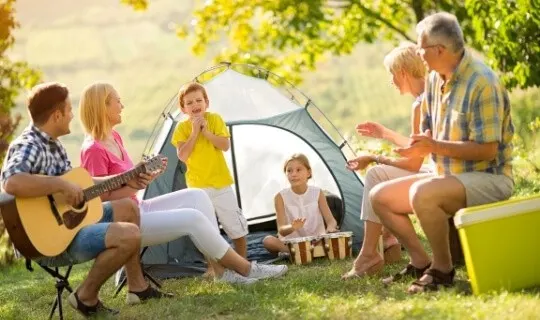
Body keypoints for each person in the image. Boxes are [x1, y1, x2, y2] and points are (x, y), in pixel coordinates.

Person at [78, 82, 288, 286]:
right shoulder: (93, 149)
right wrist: (135, 187)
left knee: (198, 196)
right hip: (122, 221)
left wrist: (145, 178)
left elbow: (125, 183)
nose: (122, 106)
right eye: (117, 101)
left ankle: (220, 271)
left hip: (138, 207)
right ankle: (245, 268)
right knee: (193, 217)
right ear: (102, 106)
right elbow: (99, 199)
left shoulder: (114, 137)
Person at [0, 82, 172, 318]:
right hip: (47, 242)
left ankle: (137, 288)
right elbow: (12, 182)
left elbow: (82, 185)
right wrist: (60, 184)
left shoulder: (54, 146)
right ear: (57, 115)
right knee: (129, 235)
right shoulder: (29, 145)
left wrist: (127, 180)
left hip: (67, 224)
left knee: (128, 207)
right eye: (69, 110)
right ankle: (85, 296)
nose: (73, 115)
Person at [371, 12, 514, 293]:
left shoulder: (482, 83)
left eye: (421, 48)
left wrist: (433, 146)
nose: (418, 54)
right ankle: (422, 261)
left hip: (489, 176)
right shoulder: (436, 80)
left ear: (439, 50)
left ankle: (442, 270)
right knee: (381, 197)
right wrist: (415, 145)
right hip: (445, 175)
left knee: (423, 193)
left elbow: (487, 150)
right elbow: (427, 134)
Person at [342, 42, 428, 279]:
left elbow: (413, 164)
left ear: (402, 72)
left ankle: (372, 252)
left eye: (392, 74)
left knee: (375, 172)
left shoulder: (421, 104)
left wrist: (373, 157)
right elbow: (417, 148)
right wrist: (386, 134)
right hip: (439, 168)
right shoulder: (427, 96)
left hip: (441, 175)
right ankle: (375, 249)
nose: (391, 80)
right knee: (375, 174)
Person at [172, 82, 248, 257]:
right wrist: (194, 133)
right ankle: (213, 266)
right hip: (198, 187)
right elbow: (182, 156)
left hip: (221, 183)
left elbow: (225, 145)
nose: (195, 105)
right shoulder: (182, 128)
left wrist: (206, 132)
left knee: (234, 224)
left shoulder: (215, 119)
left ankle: (243, 259)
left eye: (199, 100)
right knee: (206, 229)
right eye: (189, 103)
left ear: (206, 102)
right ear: (183, 108)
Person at [262, 154, 339, 254]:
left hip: (317, 241)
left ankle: (299, 253)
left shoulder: (318, 193)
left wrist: (330, 229)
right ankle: (298, 252)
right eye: (289, 171)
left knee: (338, 237)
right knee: (268, 241)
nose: (293, 174)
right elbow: (281, 230)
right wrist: (292, 227)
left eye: (298, 170)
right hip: (292, 243)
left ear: (308, 172)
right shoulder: (279, 197)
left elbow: (331, 220)